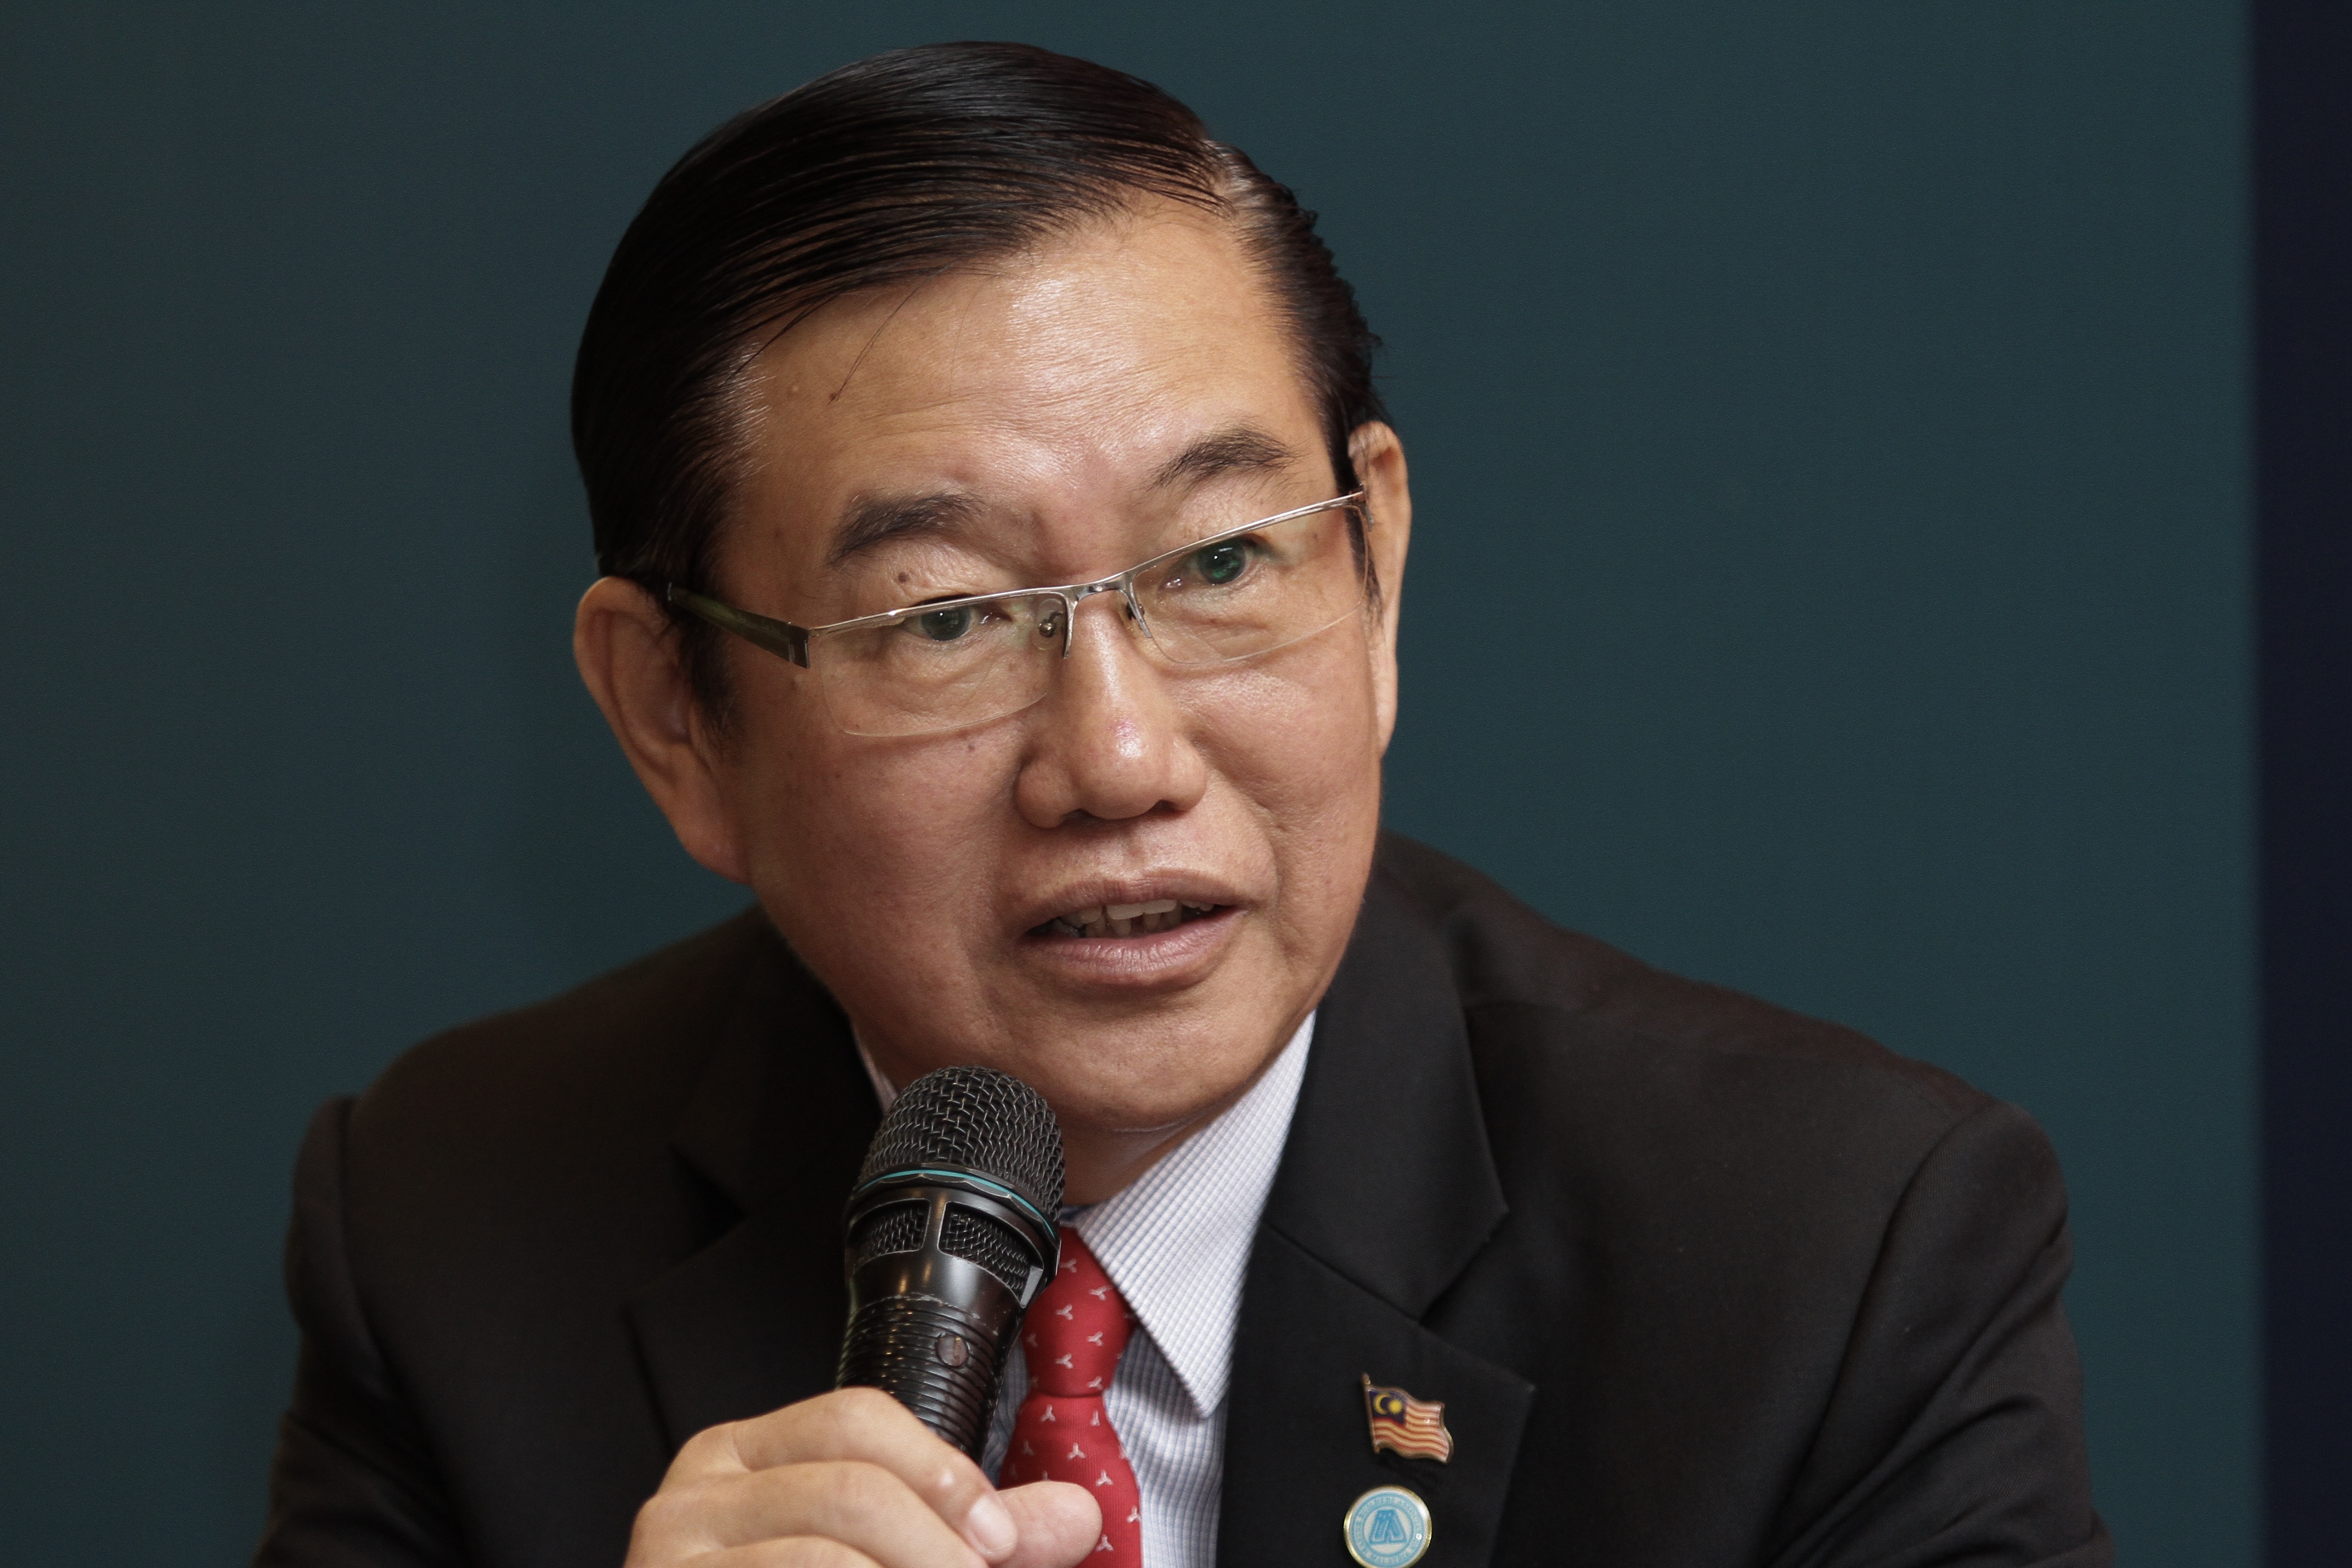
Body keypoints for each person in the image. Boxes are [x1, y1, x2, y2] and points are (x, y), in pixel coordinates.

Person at [255, 41, 2109, 1568]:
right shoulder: (455, 1229)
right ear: (677, 718)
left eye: (1219, 562)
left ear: (1374, 574)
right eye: (947, 617)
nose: (1122, 760)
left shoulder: (1830, 1260)